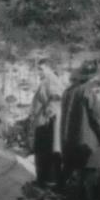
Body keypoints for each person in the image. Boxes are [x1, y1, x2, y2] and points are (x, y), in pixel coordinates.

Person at [60, 60, 100, 200]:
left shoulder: (69, 91)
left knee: (75, 168)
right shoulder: (87, 92)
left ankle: (72, 196)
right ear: (92, 77)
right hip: (87, 139)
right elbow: (96, 117)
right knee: (91, 169)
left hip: (70, 138)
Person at [29, 58, 64, 187]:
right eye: (38, 69)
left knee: (45, 152)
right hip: (43, 121)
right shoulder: (46, 81)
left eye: (41, 69)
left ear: (49, 68)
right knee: (42, 152)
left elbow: (56, 98)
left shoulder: (51, 80)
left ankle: (47, 181)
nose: (38, 71)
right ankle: (43, 179)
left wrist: (49, 114)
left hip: (47, 123)